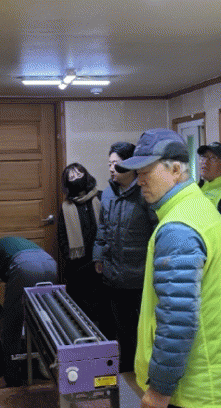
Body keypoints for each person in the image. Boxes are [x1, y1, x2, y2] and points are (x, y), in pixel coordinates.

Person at [117, 128, 221, 408]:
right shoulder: (196, 208)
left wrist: (160, 388)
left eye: (147, 171)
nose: (140, 180)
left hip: (196, 382)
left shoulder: (179, 227)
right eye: (137, 172)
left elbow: (178, 319)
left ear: (176, 170)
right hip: (207, 375)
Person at [93, 141, 157, 371]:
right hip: (113, 273)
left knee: (139, 330)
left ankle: (140, 371)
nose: (111, 168)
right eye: (109, 163)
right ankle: (126, 371)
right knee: (119, 327)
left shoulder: (145, 193)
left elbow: (156, 229)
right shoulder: (108, 193)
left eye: (116, 164)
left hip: (139, 275)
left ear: (131, 166)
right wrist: (98, 256)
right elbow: (102, 228)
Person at [0, 236, 57, 387]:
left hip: (24, 266)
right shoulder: (5, 246)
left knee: (10, 326)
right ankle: (46, 365)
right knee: (41, 319)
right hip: (50, 264)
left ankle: (10, 378)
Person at [57, 163, 108, 330]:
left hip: (101, 262)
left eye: (78, 174)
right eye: (71, 177)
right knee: (81, 310)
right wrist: (69, 255)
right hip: (78, 266)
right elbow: (62, 236)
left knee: (103, 308)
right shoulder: (66, 207)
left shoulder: (101, 197)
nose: (76, 178)